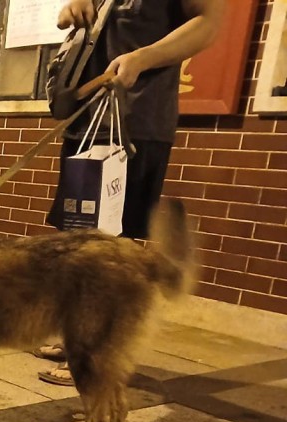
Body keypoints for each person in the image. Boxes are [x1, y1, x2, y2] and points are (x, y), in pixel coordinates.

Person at [37, 0, 224, 386]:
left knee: (108, 245)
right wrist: (70, 10)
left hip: (132, 122)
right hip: (86, 117)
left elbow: (209, 24)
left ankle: (95, 351)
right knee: (77, 236)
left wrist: (143, 57)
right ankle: (78, 335)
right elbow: (70, 24)